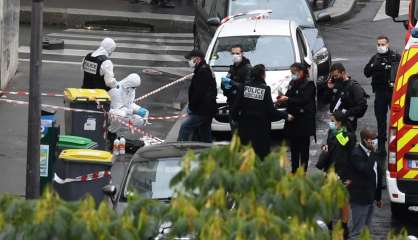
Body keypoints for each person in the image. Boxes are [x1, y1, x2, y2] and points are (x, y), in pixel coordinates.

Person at [231, 64, 293, 159]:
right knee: (260, 157)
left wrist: (238, 120)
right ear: (262, 75)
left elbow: (235, 107)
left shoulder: (244, 87)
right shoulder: (265, 89)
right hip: (261, 130)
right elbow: (271, 111)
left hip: (245, 128)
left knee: (246, 156)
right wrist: (285, 115)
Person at [317, 111, 356, 239]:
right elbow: (331, 148)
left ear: (339, 122)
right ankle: (328, 225)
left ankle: (344, 227)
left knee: (343, 201)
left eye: (333, 120)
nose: (331, 123)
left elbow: (347, 149)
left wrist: (348, 176)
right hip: (330, 171)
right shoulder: (331, 133)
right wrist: (326, 149)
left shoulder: (348, 136)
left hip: (343, 172)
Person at [364, 36, 401, 154]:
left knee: (396, 120)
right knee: (381, 120)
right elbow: (366, 73)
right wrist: (373, 65)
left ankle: (398, 144)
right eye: (379, 44)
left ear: (388, 44)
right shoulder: (375, 58)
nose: (380, 46)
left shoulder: (395, 57)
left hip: (393, 93)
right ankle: (381, 147)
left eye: (383, 44)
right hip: (380, 94)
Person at [277, 63, 316, 173]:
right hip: (293, 121)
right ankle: (294, 171)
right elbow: (288, 95)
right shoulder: (292, 83)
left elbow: (304, 100)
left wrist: (288, 99)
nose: (292, 75)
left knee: (304, 150)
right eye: (291, 73)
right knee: (294, 149)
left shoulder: (309, 85)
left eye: (294, 73)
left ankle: (303, 172)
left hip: (304, 122)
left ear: (301, 72)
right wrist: (281, 100)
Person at [348, 128, 383, 239]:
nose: (374, 142)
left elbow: (377, 174)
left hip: (370, 197)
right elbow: (366, 170)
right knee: (357, 232)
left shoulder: (373, 152)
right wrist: (372, 153)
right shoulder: (356, 154)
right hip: (360, 199)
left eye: (375, 139)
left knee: (366, 231)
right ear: (364, 140)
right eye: (372, 139)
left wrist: (378, 197)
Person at [178, 49, 217, 143]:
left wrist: (192, 107)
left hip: (202, 110)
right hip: (206, 109)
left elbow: (199, 93)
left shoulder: (203, 71)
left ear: (197, 59)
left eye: (191, 58)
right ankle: (208, 151)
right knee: (205, 133)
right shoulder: (202, 68)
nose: (189, 61)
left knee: (185, 127)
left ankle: (181, 149)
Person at [323, 63, 368, 131]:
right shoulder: (335, 84)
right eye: (333, 76)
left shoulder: (354, 86)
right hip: (335, 122)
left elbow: (361, 106)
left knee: (344, 141)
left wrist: (345, 113)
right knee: (332, 139)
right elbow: (325, 100)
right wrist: (329, 89)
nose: (334, 78)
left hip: (347, 123)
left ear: (343, 72)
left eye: (336, 76)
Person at [221, 45, 253, 131]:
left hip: (242, 106)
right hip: (232, 103)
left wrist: (232, 83)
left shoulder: (247, 68)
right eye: (233, 53)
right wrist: (224, 85)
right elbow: (226, 83)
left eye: (237, 53)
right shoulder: (233, 67)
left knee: (242, 132)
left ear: (242, 53)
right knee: (234, 130)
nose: (235, 55)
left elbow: (247, 87)